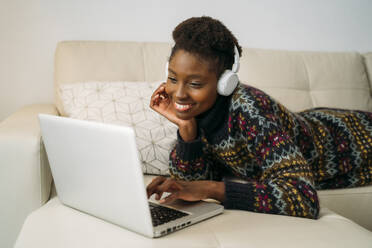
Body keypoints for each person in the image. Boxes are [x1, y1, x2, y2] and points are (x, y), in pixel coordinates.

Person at [146, 16, 372, 219]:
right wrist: (187, 131)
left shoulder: (251, 113)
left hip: (358, 137)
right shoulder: (197, 112)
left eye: (195, 84)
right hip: (313, 121)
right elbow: (189, 184)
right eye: (173, 78)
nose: (180, 93)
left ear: (225, 82)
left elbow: (304, 198)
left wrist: (213, 189)